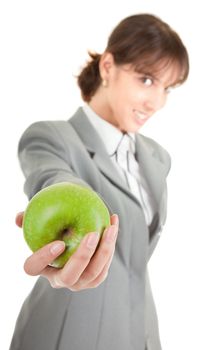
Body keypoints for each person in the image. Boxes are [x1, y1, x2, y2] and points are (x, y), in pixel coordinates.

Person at [10, 13, 189, 350]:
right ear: (108, 67)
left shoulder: (158, 157)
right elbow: (53, 179)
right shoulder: (51, 137)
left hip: (142, 334)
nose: (157, 102)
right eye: (147, 80)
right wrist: (58, 207)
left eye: (168, 88)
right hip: (67, 335)